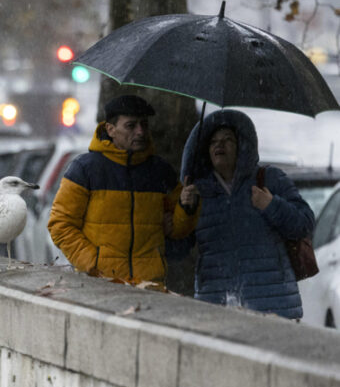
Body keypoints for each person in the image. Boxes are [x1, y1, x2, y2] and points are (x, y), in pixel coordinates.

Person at [47, 95, 198, 284]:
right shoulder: (86, 169)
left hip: (150, 284)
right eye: (131, 126)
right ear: (110, 129)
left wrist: (187, 208)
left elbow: (178, 231)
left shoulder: (160, 171)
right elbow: (60, 225)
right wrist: (93, 263)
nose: (140, 131)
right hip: (102, 284)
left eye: (144, 124)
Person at [179, 109, 314, 319]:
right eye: (213, 141)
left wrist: (271, 205)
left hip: (274, 309)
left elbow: (305, 224)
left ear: (241, 146)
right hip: (217, 307)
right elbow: (177, 249)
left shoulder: (270, 179)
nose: (219, 145)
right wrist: (185, 210)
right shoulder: (196, 191)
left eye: (227, 140)